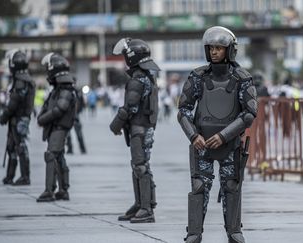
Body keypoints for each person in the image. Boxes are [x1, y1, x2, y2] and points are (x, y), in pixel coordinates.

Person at [177, 26, 257, 243]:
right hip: (201, 144)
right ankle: (194, 233)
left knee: (231, 186)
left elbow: (249, 114)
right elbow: (183, 111)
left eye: (219, 48)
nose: (214, 52)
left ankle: (234, 231)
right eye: (211, 48)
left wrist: (224, 136)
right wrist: (194, 136)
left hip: (229, 145)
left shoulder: (242, 78)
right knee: (199, 187)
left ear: (229, 50)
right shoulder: (197, 77)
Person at [109, 38, 160, 223]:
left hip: (139, 128)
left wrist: (115, 125)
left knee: (140, 167)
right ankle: (142, 204)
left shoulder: (138, 79)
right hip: (143, 127)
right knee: (140, 166)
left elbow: (130, 107)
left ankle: (146, 209)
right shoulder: (148, 75)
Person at [36, 53, 77, 202]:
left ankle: (49, 190)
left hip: (59, 127)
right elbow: (49, 106)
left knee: (51, 155)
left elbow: (60, 108)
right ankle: (63, 190)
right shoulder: (59, 89)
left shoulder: (65, 90)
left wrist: (43, 119)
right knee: (58, 157)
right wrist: (42, 118)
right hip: (55, 127)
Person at [0, 49, 35, 185]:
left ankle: (25, 177)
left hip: (18, 119)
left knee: (20, 147)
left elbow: (13, 102)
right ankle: (10, 176)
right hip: (18, 119)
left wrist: (4, 116)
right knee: (12, 147)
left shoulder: (21, 82)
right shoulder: (24, 80)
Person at [66, 85, 87, 154]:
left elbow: (81, 103)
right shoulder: (76, 92)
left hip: (72, 115)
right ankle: (80, 149)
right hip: (73, 115)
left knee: (74, 133)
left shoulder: (73, 92)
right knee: (73, 134)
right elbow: (82, 103)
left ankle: (73, 149)